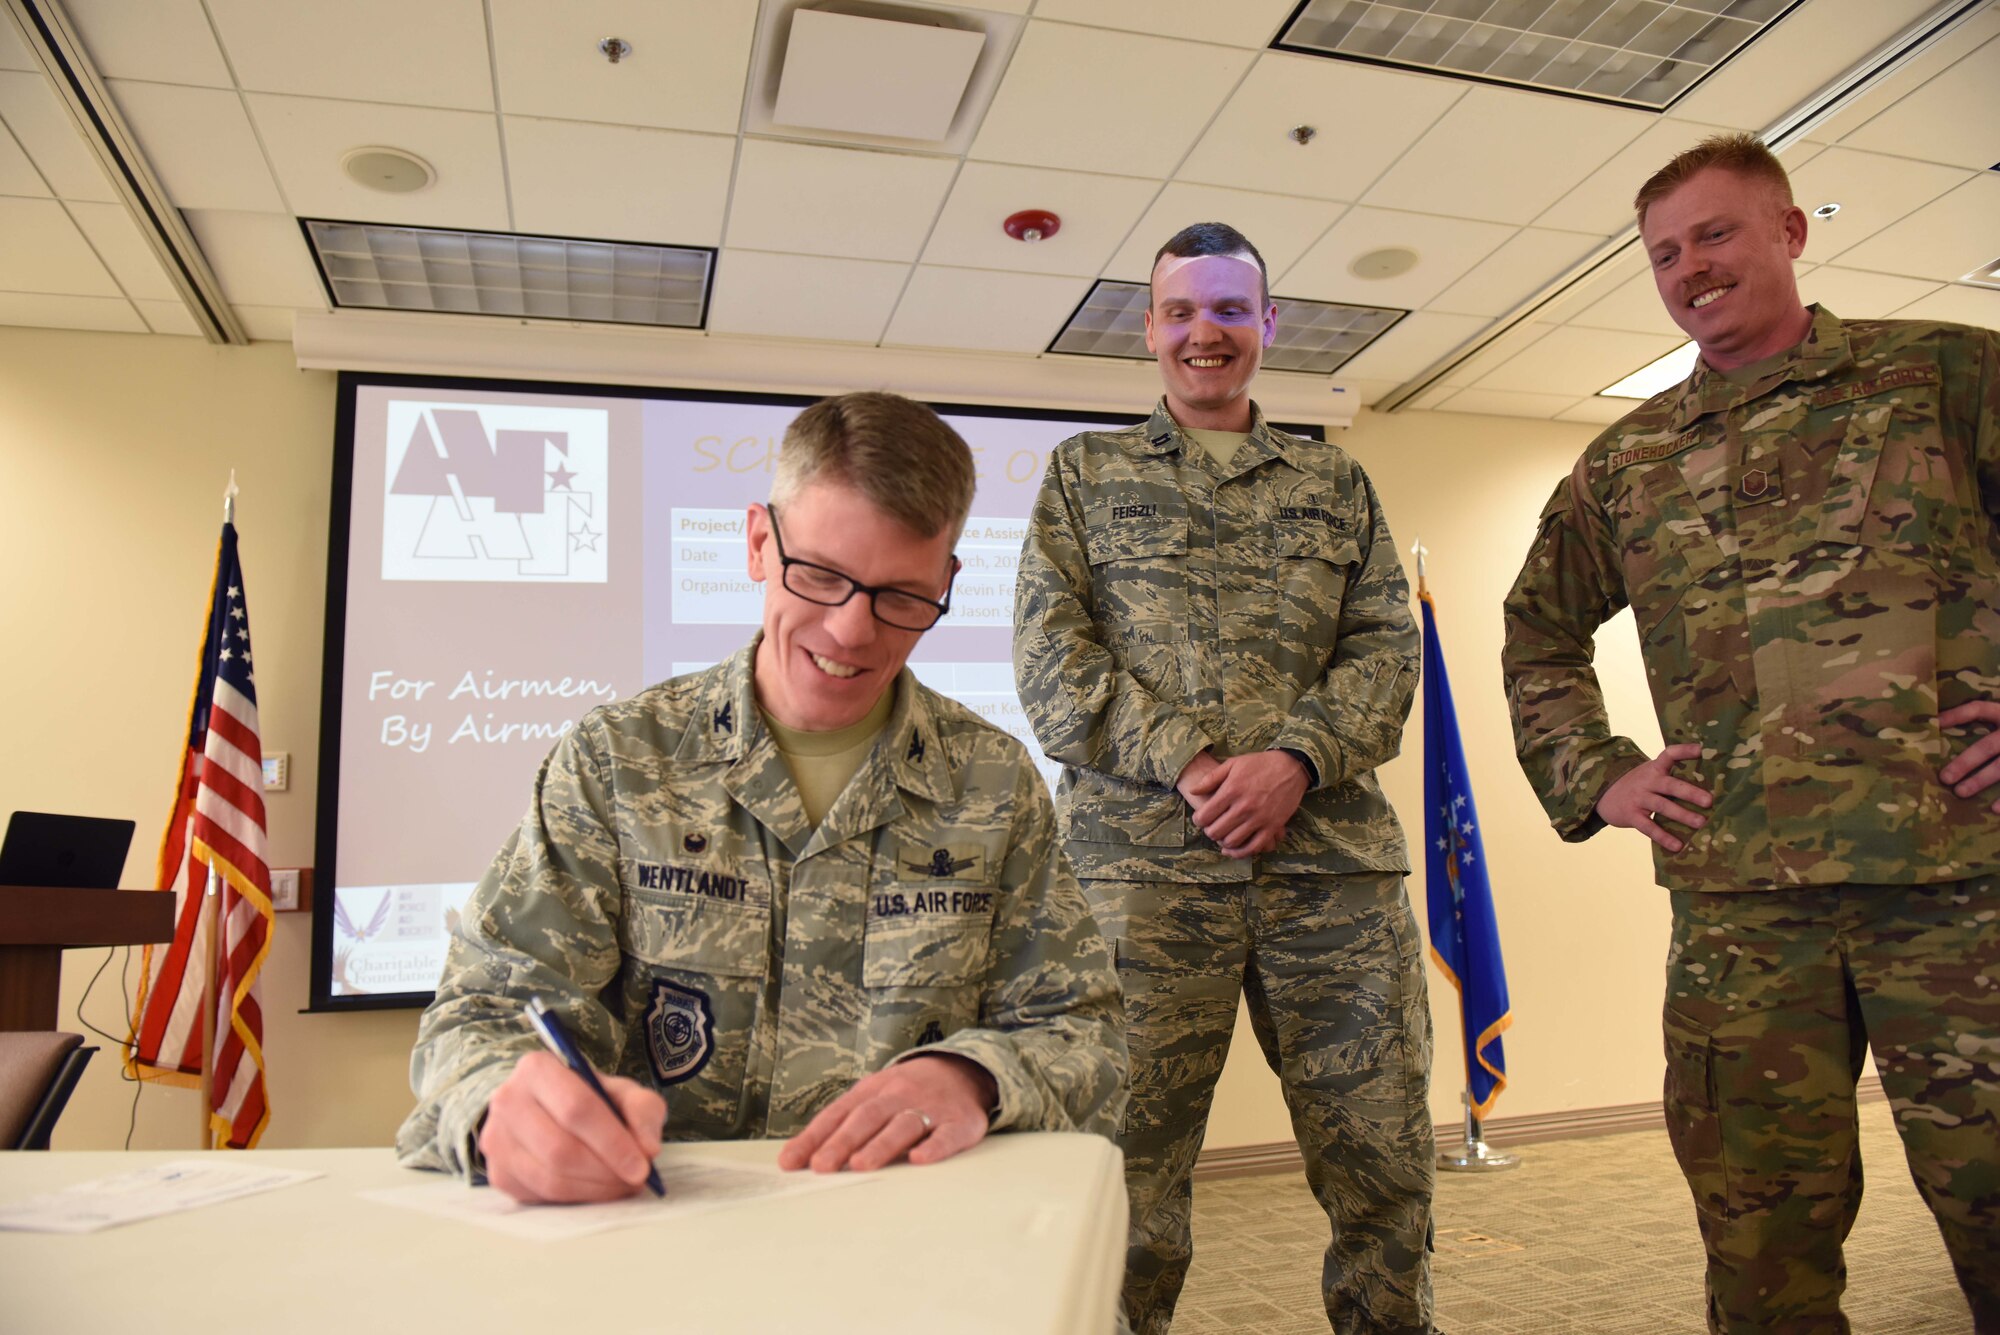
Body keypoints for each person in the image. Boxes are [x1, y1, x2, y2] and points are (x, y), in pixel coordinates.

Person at [1502, 132, 2000, 1334]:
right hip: (1739, 922)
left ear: (1789, 229)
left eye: (1714, 233)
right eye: (1663, 252)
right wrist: (1601, 775)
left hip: (1958, 897)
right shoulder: (1626, 458)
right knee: (1757, 1250)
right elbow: (1537, 635)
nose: (1689, 267)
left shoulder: (1941, 376)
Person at [398, 391, 1127, 1203]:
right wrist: (504, 1102)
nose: (852, 631)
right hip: (660, 1236)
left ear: (949, 581)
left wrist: (973, 1077)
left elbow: (1085, 1033)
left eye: (902, 597)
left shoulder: (994, 783)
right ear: (757, 542)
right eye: (819, 574)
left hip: (909, 1247)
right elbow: (486, 1007)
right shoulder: (618, 763)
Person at [1015, 222, 1437, 1335]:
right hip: (1140, 885)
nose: (1205, 333)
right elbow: (1050, 664)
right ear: (1150, 327)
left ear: (1266, 325)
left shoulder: (1334, 480)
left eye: (1229, 310)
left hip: (1331, 878)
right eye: (1181, 311)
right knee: (1125, 1187)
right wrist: (1196, 765)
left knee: (1382, 1168)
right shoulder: (1082, 475)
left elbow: (1389, 652)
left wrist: (1292, 761)